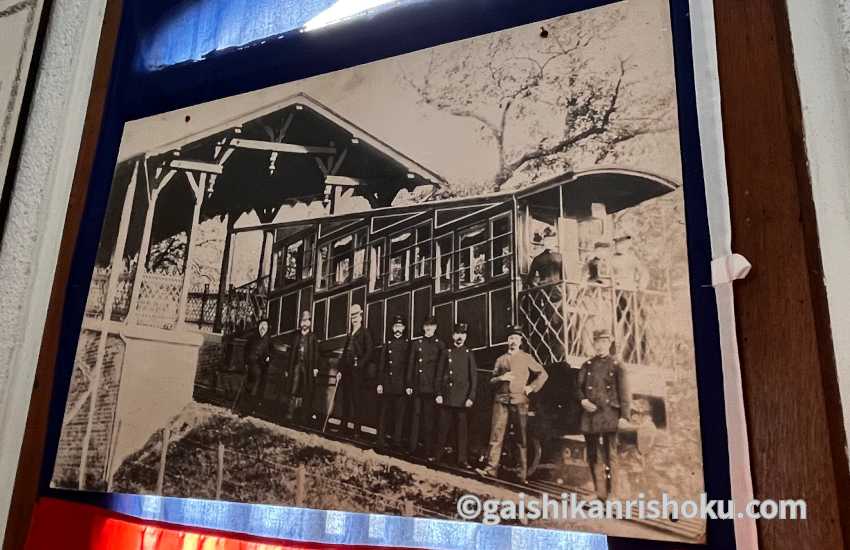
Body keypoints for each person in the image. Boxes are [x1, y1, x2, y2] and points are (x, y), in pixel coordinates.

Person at [477, 326, 548, 482]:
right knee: (496, 435)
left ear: (521, 341)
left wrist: (531, 387)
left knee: (521, 439)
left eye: (516, 339)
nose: (513, 341)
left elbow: (543, 374)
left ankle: (521, 475)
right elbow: (491, 380)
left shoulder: (526, 358)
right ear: (507, 341)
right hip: (501, 401)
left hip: (519, 401)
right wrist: (502, 378)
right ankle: (490, 470)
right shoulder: (500, 359)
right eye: (510, 338)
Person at [576, 329, 631, 499]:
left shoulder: (617, 365)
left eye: (603, 342)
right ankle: (598, 492)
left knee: (610, 455)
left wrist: (624, 416)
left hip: (609, 414)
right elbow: (578, 387)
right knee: (593, 454)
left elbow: (625, 392)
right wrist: (583, 401)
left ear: (609, 343)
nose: (599, 346)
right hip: (591, 414)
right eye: (597, 342)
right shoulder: (588, 365)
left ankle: (613, 494)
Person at [432, 323, 477, 468]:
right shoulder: (446, 352)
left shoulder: (469, 353)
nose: (460, 337)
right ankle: (437, 456)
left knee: (461, 431)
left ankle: (462, 460)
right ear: (453, 336)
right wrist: (438, 393)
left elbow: (473, 379)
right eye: (457, 334)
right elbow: (438, 375)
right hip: (447, 396)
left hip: (462, 399)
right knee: (442, 427)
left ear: (466, 337)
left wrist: (471, 397)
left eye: (462, 335)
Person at [406, 315, 446, 457]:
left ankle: (428, 450)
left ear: (435, 328)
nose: (429, 328)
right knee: (415, 417)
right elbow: (411, 365)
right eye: (426, 326)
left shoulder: (440, 345)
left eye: (431, 325)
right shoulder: (417, 343)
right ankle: (412, 448)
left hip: (430, 389)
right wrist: (409, 384)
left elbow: (440, 370)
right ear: (423, 327)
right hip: (417, 386)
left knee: (428, 420)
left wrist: (437, 389)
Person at [335, 304, 373, 439]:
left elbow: (369, 352)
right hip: (346, 371)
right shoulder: (349, 334)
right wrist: (339, 370)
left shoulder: (365, 332)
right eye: (352, 316)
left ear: (361, 317)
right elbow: (344, 353)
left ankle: (357, 430)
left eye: (356, 316)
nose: (354, 319)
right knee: (345, 400)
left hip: (357, 372)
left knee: (356, 400)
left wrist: (359, 364)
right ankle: (343, 428)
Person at [376, 315, 412, 449]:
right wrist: (380, 383)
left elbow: (409, 366)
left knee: (399, 415)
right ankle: (380, 440)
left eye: (400, 327)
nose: (398, 329)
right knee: (384, 413)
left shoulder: (407, 344)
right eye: (396, 327)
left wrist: (408, 385)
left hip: (401, 385)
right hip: (387, 384)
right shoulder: (388, 344)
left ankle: (396, 442)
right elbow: (381, 366)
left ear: (403, 328)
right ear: (392, 328)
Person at [284, 311, 321, 425]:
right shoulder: (296, 336)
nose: (305, 323)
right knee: (293, 388)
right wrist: (287, 368)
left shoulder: (313, 337)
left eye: (307, 321)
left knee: (307, 390)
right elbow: (291, 354)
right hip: (296, 365)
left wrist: (315, 367)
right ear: (300, 323)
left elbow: (316, 353)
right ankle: (289, 414)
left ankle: (304, 417)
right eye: (303, 321)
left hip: (308, 367)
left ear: (310, 322)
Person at [238, 318, 271, 415]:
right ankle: (245, 408)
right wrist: (246, 363)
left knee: (258, 388)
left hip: (262, 367)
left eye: (265, 326)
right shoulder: (252, 338)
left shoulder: (269, 340)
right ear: (259, 326)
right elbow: (246, 350)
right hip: (251, 365)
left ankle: (253, 408)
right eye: (261, 325)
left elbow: (272, 352)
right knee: (249, 386)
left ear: (267, 328)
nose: (263, 327)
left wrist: (269, 357)